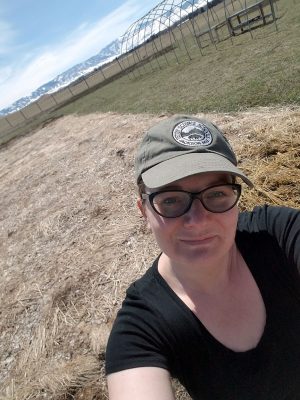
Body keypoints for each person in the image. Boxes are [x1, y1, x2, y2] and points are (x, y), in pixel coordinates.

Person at [105, 115, 300, 400]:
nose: (197, 221)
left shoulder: (278, 234)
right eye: (171, 200)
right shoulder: (141, 329)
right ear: (144, 210)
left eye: (217, 193)